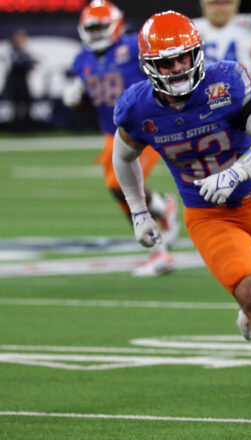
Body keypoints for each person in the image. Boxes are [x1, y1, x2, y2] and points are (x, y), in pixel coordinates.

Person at [112, 11, 251, 419]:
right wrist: (139, 212)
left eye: (184, 57)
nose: (179, 67)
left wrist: (237, 172)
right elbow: (122, 156)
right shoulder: (136, 107)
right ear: (150, 66)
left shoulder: (226, 82)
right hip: (208, 215)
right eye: (167, 61)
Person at [63, 0, 178, 277]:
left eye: (101, 26)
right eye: (92, 27)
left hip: (145, 128)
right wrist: (76, 99)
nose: (96, 32)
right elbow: (88, 103)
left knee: (121, 185)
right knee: (121, 194)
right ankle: (158, 245)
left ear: (114, 25)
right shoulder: (82, 60)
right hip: (111, 134)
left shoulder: (134, 48)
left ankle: (162, 212)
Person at [193, 0, 251, 100]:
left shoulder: (247, 25)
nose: (221, 8)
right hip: (204, 99)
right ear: (203, 4)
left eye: (225, 3)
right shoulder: (192, 28)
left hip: (240, 98)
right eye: (215, 3)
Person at [5, 29, 35, 132]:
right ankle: (17, 127)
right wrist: (27, 65)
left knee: (27, 102)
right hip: (16, 82)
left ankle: (26, 125)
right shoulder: (14, 52)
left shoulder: (23, 52)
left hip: (23, 81)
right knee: (17, 105)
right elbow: (16, 64)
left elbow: (29, 63)